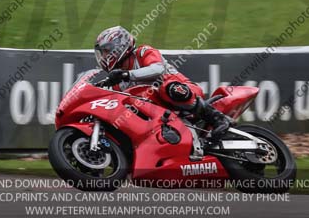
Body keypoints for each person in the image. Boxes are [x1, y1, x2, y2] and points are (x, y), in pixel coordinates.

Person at [93, 25, 232, 141]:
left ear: (120, 45)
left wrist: (126, 75)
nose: (104, 56)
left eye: (106, 51)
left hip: (184, 90)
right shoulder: (117, 82)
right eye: (102, 53)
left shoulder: (143, 52)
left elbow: (157, 69)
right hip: (160, 111)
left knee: (165, 86)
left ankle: (218, 119)